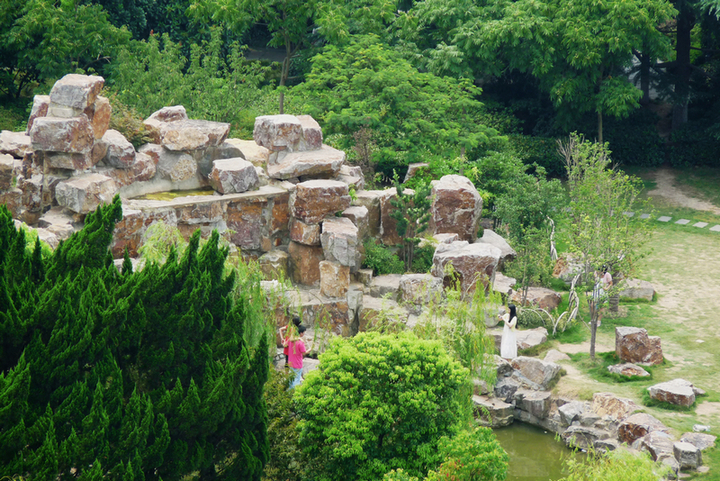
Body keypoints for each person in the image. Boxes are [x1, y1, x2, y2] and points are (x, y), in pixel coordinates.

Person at [284, 325, 307, 389]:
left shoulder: (290, 341)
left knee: (291, 379)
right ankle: (294, 394)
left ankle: (289, 393)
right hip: (298, 364)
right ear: (301, 333)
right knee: (296, 380)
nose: (304, 334)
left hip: (291, 363)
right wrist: (310, 350)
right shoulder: (300, 342)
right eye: (304, 333)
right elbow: (304, 352)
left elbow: (284, 344)